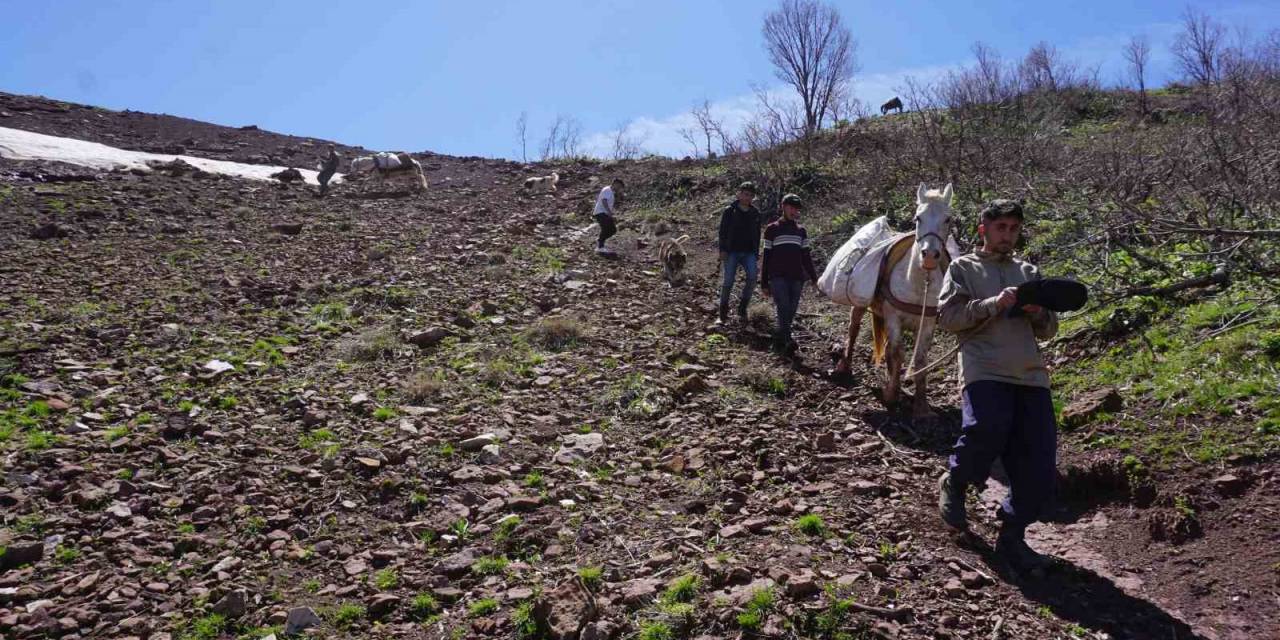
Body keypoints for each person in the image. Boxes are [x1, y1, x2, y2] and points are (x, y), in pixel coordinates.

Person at [936, 199, 1060, 573]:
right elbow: (948, 317)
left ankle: (1012, 534)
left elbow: (1050, 329)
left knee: (1039, 460)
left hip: (1030, 373)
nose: (1007, 235)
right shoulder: (963, 267)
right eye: (1000, 227)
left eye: (1013, 229)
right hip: (984, 367)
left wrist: (1039, 313)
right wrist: (991, 303)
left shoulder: (1029, 271)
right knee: (986, 429)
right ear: (983, 230)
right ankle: (956, 482)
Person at [760, 194, 820, 354]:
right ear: (783, 207)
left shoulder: (801, 231)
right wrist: (763, 282)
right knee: (783, 306)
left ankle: (780, 337)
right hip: (777, 276)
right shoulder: (772, 229)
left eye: (796, 208)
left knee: (791, 310)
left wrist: (815, 278)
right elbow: (766, 256)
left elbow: (806, 256)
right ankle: (788, 339)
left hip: (796, 277)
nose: (794, 211)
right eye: (791, 207)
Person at [717, 182, 762, 324]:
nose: (747, 197)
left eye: (750, 195)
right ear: (739, 193)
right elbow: (722, 232)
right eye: (745, 194)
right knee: (728, 281)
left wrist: (756, 252)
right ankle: (722, 313)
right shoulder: (729, 210)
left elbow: (758, 233)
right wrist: (722, 250)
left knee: (753, 278)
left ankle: (742, 309)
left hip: (749, 252)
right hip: (731, 251)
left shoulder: (755, 213)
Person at [593, 178, 624, 254]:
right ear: (615, 184)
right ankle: (600, 246)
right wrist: (609, 212)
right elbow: (604, 201)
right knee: (606, 228)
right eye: (619, 186)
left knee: (613, 230)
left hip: (604, 213)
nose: (619, 188)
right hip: (600, 212)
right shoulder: (607, 189)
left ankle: (600, 241)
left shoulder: (611, 192)